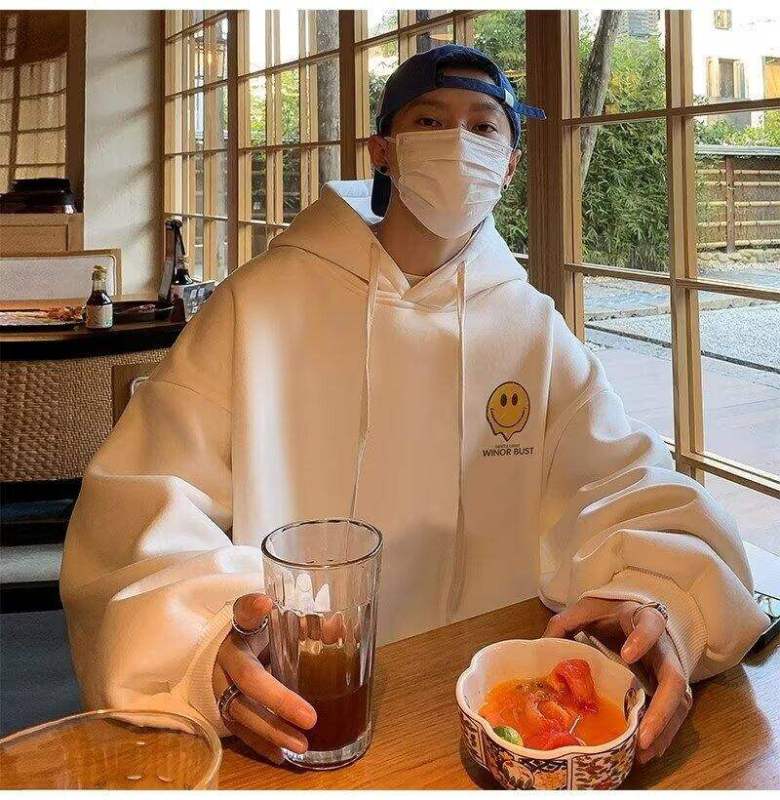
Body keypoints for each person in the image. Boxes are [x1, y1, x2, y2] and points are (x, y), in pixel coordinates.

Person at [62, 45, 768, 767]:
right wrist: (208, 638)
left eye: (483, 126)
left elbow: (627, 485)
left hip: (493, 719)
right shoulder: (260, 305)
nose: (458, 143)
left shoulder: (530, 328)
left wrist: (656, 595)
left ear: (511, 165)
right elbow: (143, 506)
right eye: (430, 121)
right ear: (383, 150)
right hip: (295, 713)